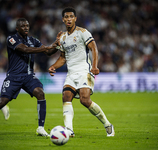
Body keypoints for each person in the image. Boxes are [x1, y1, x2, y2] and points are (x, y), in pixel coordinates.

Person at [0, 18, 61, 137]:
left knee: (40, 93)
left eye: (27, 25)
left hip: (28, 76)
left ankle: (41, 128)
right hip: (14, 77)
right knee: (2, 102)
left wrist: (56, 45)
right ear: (17, 28)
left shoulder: (33, 40)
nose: (26, 28)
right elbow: (25, 50)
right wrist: (46, 47)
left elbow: (48, 52)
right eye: (23, 26)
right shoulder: (11, 39)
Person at [48, 7, 115, 137]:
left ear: (75, 19)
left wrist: (94, 66)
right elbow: (62, 58)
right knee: (66, 97)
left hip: (84, 71)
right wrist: (54, 66)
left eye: (71, 17)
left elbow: (93, 48)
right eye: (66, 17)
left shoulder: (83, 32)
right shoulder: (62, 38)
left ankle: (107, 125)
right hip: (71, 74)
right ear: (63, 19)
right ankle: (69, 130)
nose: (68, 19)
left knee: (84, 100)